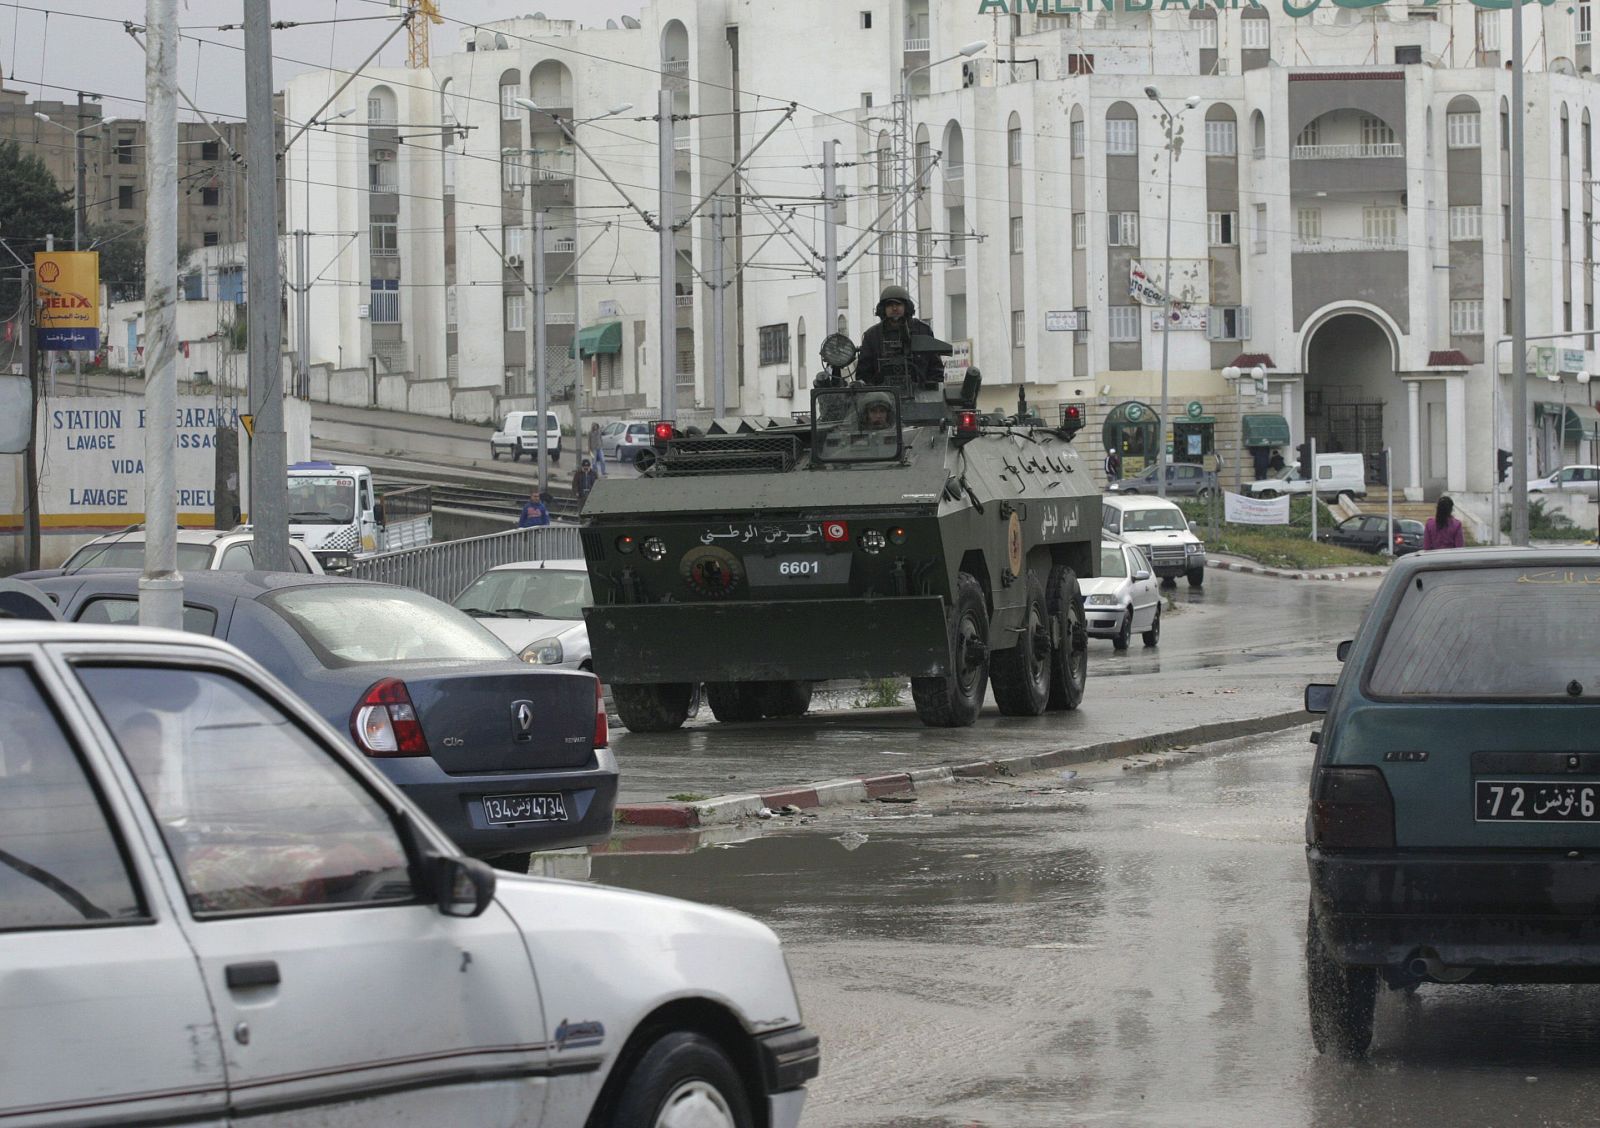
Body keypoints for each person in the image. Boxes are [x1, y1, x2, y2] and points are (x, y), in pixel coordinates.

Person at [855, 284, 940, 388]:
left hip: (920, 392)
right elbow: (863, 372)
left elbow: (935, 367)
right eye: (890, 305)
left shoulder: (923, 330)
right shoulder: (872, 335)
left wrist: (930, 387)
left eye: (898, 304)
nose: (894, 308)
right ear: (883, 309)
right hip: (881, 395)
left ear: (906, 307)